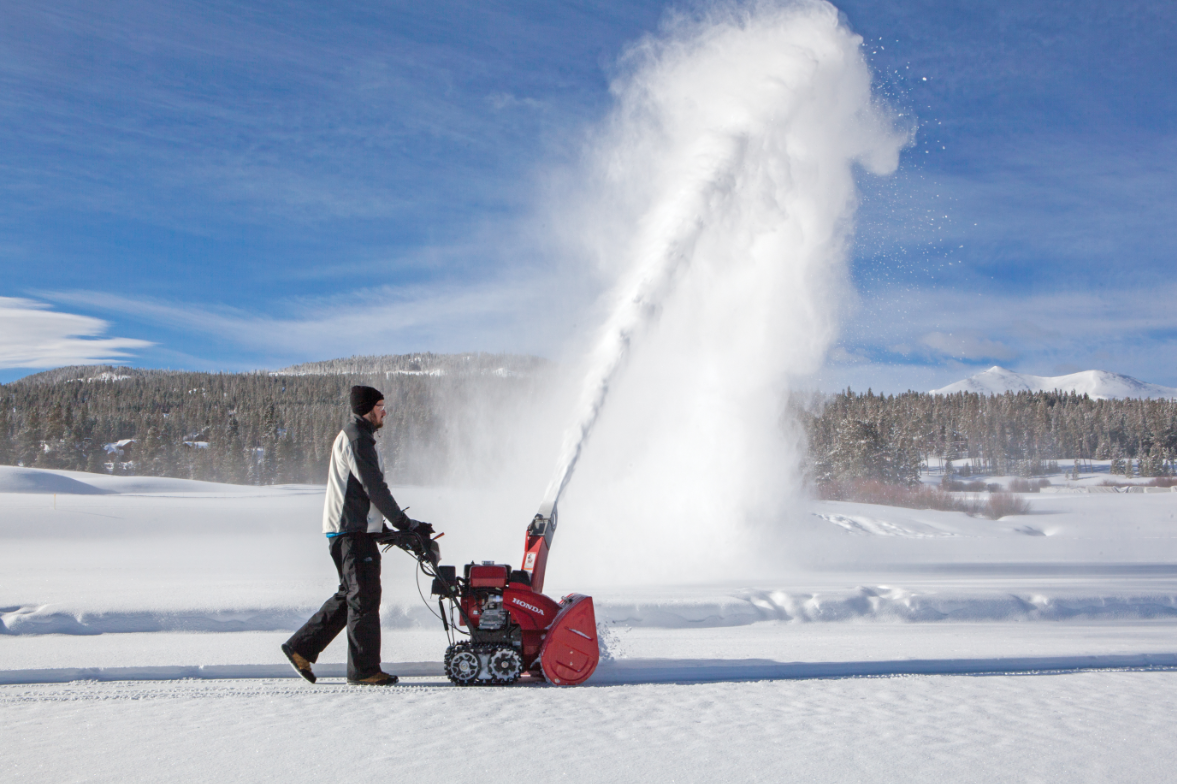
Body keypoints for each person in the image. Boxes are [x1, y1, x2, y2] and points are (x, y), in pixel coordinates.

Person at [281, 385, 436, 686]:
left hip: (352, 532)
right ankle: (364, 670)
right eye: (380, 405)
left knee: (351, 596)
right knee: (364, 599)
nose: (385, 411)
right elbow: (374, 488)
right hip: (350, 533)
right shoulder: (357, 439)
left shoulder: (359, 437)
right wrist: (405, 524)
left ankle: (301, 648)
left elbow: (361, 495)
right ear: (367, 408)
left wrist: (385, 530)